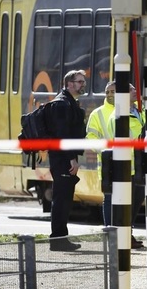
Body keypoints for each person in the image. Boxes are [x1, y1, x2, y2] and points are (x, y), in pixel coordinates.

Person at [48, 70, 87, 251]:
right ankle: (57, 239)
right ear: (69, 83)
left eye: (83, 81)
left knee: (64, 199)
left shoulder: (69, 103)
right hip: (62, 158)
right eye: (79, 81)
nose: (82, 85)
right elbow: (62, 135)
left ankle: (60, 237)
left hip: (64, 157)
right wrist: (71, 159)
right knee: (61, 199)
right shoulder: (62, 104)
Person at [107, 83, 146, 249]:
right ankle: (121, 237)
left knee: (135, 202)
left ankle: (127, 234)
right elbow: (133, 136)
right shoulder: (119, 115)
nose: (135, 91)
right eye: (130, 89)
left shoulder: (137, 112)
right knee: (126, 205)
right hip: (126, 166)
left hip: (137, 165)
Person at [85, 80, 115, 225]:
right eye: (107, 92)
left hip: (133, 165)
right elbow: (91, 138)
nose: (109, 95)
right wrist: (105, 151)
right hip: (108, 164)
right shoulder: (98, 113)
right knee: (109, 199)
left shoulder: (133, 110)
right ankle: (111, 233)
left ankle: (128, 234)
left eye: (113, 92)